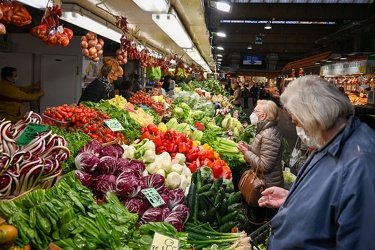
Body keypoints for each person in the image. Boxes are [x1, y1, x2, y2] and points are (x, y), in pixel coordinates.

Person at [258, 75, 375, 250]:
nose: (297, 128)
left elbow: (358, 241)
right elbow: (329, 195)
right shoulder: (330, 140)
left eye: (297, 122)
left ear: (314, 117)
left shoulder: (361, 163)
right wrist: (293, 198)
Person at [237, 99, 284, 224]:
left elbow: (265, 165)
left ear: (263, 116)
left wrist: (246, 154)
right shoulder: (264, 130)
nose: (252, 113)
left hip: (267, 185)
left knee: (263, 218)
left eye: (255, 111)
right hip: (264, 182)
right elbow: (261, 153)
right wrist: (248, 148)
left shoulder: (269, 135)